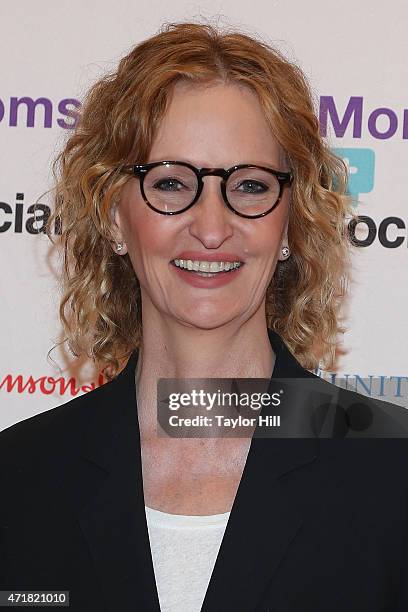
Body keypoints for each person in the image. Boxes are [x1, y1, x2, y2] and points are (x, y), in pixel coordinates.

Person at [1, 20, 408, 612]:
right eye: (170, 183)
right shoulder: (18, 481)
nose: (213, 228)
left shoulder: (392, 475)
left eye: (248, 185)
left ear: (290, 220)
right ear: (114, 217)